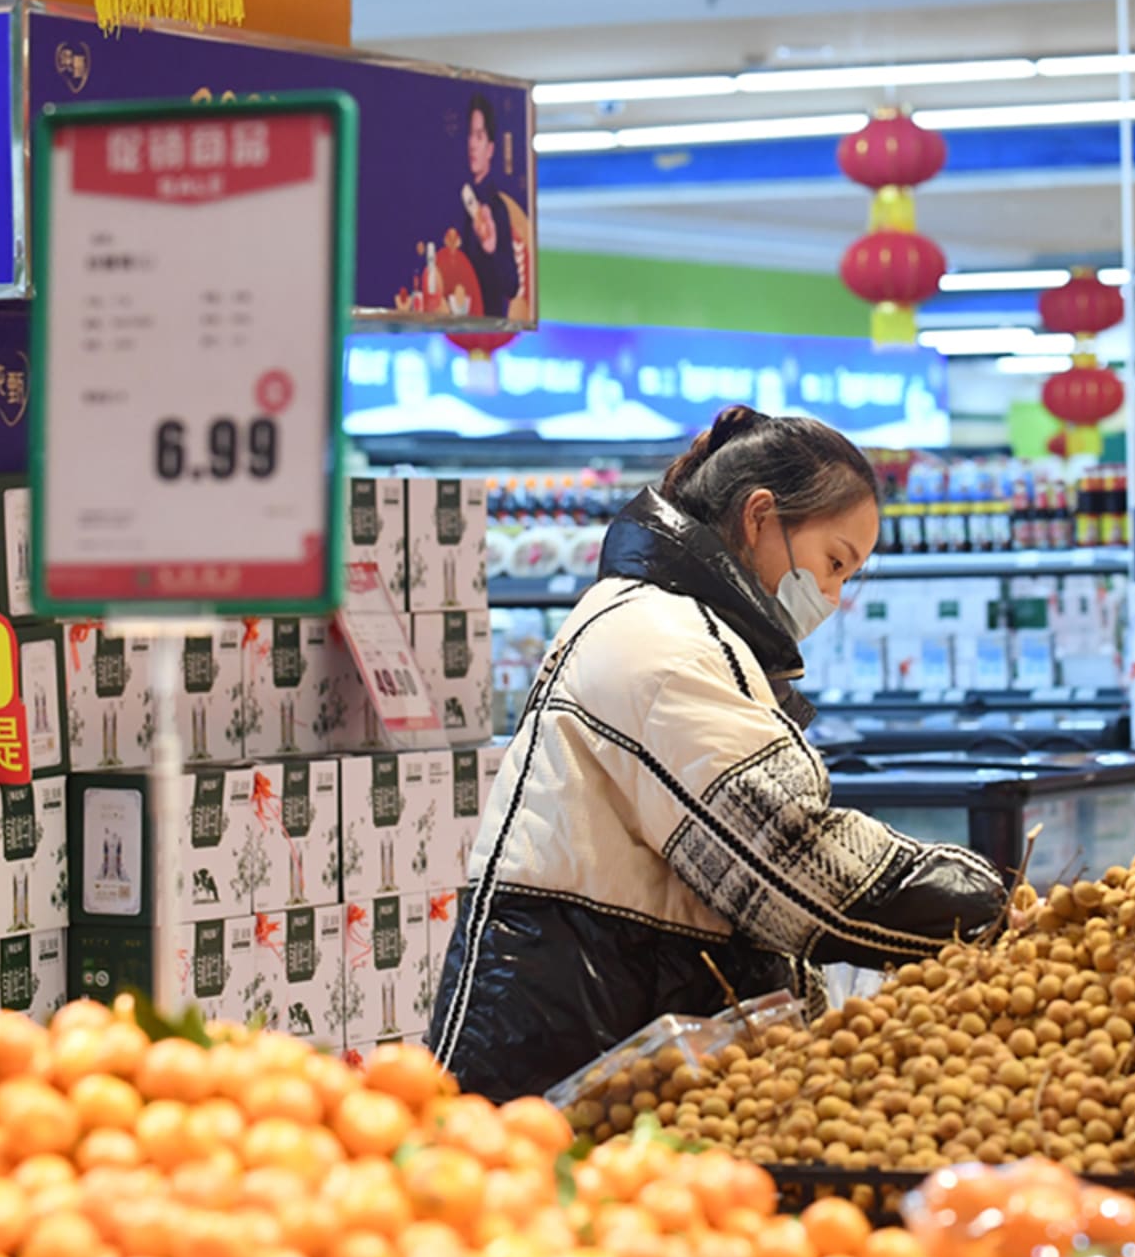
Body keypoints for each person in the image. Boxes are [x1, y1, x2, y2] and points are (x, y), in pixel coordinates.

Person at [428, 405, 1012, 1101]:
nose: (831, 596)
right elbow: (790, 860)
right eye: (833, 563)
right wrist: (990, 903)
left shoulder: (677, 628)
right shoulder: (657, 640)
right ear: (760, 517)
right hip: (562, 1074)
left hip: (609, 1060)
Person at [461, 93, 521, 320]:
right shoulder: (456, 198)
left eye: (479, 136)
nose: (472, 144)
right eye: (469, 135)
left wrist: (491, 251)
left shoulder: (496, 209)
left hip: (484, 320)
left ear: (491, 148)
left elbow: (512, 286)